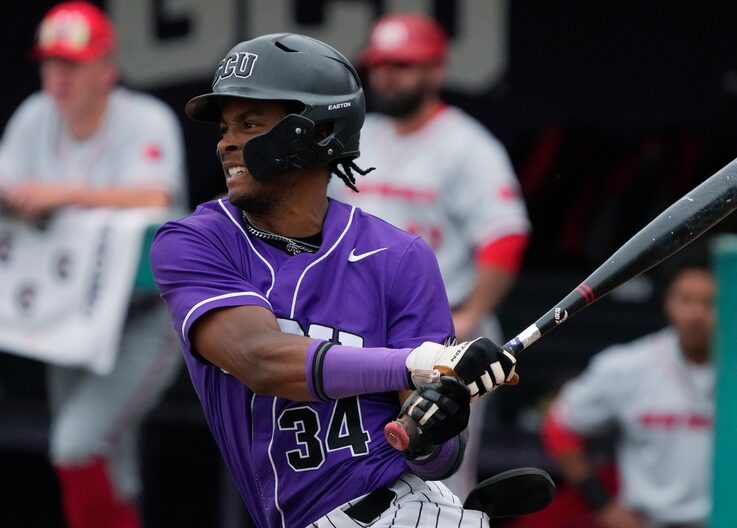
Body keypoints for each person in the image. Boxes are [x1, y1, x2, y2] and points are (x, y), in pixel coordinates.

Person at [149, 32, 519, 528]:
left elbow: (435, 459)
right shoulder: (195, 242)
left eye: (250, 123)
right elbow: (259, 359)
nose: (225, 142)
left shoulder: (401, 257)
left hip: (401, 510)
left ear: (315, 130)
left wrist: (434, 426)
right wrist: (417, 364)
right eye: (224, 127)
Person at [329, 12, 531, 498]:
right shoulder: (360, 136)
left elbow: (504, 235)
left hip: (438, 330)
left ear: (436, 70)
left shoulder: (467, 145)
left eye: (403, 64)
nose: (388, 75)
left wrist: (471, 314)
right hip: (358, 331)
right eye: (380, 64)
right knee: (354, 465)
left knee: (436, 478)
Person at [0, 2, 186, 527]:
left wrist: (61, 194)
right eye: (51, 61)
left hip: (144, 314)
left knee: (74, 444)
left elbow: (156, 199)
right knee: (107, 464)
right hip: (71, 315)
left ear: (106, 67)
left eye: (73, 63)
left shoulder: (146, 117)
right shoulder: (35, 115)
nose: (58, 75)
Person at [539, 246, 737, 528]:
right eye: (685, 299)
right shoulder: (626, 366)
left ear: (734, 303)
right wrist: (604, 506)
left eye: (710, 302)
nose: (695, 315)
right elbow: (560, 426)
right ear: (668, 301)